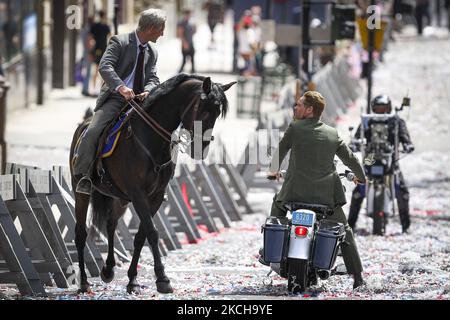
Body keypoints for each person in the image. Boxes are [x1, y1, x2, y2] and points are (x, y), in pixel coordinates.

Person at [262, 91, 367, 290]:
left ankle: (270, 251)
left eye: (299, 105)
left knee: (277, 209)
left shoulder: (295, 128)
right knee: (345, 231)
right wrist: (361, 177)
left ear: (310, 110)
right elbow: (350, 159)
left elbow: (281, 150)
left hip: (294, 195)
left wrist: (272, 172)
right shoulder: (332, 133)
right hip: (325, 199)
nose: (296, 108)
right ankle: (358, 276)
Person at [73, 9, 166, 195]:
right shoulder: (119, 42)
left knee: (165, 131)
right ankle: (83, 176)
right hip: (116, 98)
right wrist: (122, 87)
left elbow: (153, 77)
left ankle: (159, 181)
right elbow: (104, 66)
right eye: (161, 29)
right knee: (93, 131)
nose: (162, 33)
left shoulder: (152, 51)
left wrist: (149, 89)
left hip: (141, 101)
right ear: (151, 28)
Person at [348, 95, 415, 233]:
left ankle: (406, 226)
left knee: (403, 193)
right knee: (357, 193)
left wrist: (408, 145)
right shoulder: (366, 121)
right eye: (378, 108)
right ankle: (350, 226)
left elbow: (404, 136)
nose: (380, 111)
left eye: (383, 108)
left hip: (390, 158)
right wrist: (353, 145)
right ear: (373, 108)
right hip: (370, 158)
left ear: (389, 108)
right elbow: (357, 138)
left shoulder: (396, 121)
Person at [90, 10, 111, 94]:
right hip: (104, 50)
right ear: (104, 16)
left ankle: (94, 89)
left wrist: (91, 51)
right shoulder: (106, 26)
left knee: (96, 69)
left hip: (97, 50)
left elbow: (90, 38)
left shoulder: (95, 26)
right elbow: (111, 37)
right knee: (103, 70)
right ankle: (101, 89)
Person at [177, 8, 196, 74]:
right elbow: (180, 34)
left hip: (191, 43)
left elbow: (193, 32)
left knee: (193, 60)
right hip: (185, 44)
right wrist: (184, 43)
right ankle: (179, 73)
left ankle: (193, 73)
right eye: (188, 14)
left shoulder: (190, 23)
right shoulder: (182, 23)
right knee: (184, 61)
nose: (189, 16)